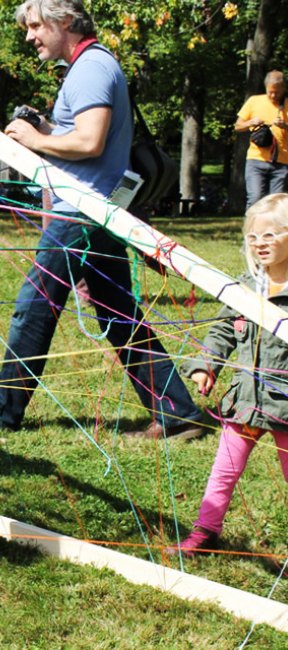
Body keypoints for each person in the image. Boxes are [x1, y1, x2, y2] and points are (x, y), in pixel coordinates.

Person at [0, 0, 204, 441]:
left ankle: (2, 408)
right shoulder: (90, 67)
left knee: (34, 307)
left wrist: (35, 138)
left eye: (35, 26)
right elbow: (86, 137)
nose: (29, 36)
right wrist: (45, 127)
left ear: (63, 22)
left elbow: (90, 140)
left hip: (82, 211)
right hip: (96, 210)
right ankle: (176, 411)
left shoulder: (91, 68)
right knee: (119, 314)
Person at [169, 194, 288, 558]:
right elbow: (222, 330)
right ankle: (205, 532)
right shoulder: (246, 288)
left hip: (286, 408)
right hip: (244, 402)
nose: (259, 244)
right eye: (253, 237)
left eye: (270, 235)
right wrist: (206, 365)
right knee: (223, 472)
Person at [235, 71, 288, 209]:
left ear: (284, 89)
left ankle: (273, 230)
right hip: (256, 160)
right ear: (266, 88)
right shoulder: (254, 101)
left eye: (277, 92)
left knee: (276, 203)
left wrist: (285, 126)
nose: (273, 95)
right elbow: (238, 126)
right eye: (270, 91)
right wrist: (250, 122)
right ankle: (251, 229)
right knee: (255, 198)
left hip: (282, 162)